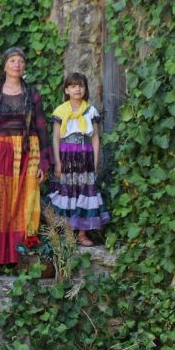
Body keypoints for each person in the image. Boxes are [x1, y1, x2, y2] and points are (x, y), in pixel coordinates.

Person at [0, 48, 52, 267]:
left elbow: (42, 129)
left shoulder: (31, 94)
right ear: (5, 65)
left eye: (21, 61)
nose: (17, 64)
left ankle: (21, 258)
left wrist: (45, 161)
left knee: (25, 204)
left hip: (27, 153)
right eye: (12, 60)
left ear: (24, 67)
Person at [48, 72, 110, 245]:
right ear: (66, 90)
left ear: (85, 89)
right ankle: (68, 233)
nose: (77, 89)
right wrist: (58, 162)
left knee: (84, 191)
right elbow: (56, 138)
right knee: (68, 192)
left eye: (81, 86)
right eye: (73, 86)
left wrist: (95, 162)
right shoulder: (60, 111)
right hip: (67, 157)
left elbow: (96, 137)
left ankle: (82, 234)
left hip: (85, 157)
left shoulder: (90, 111)